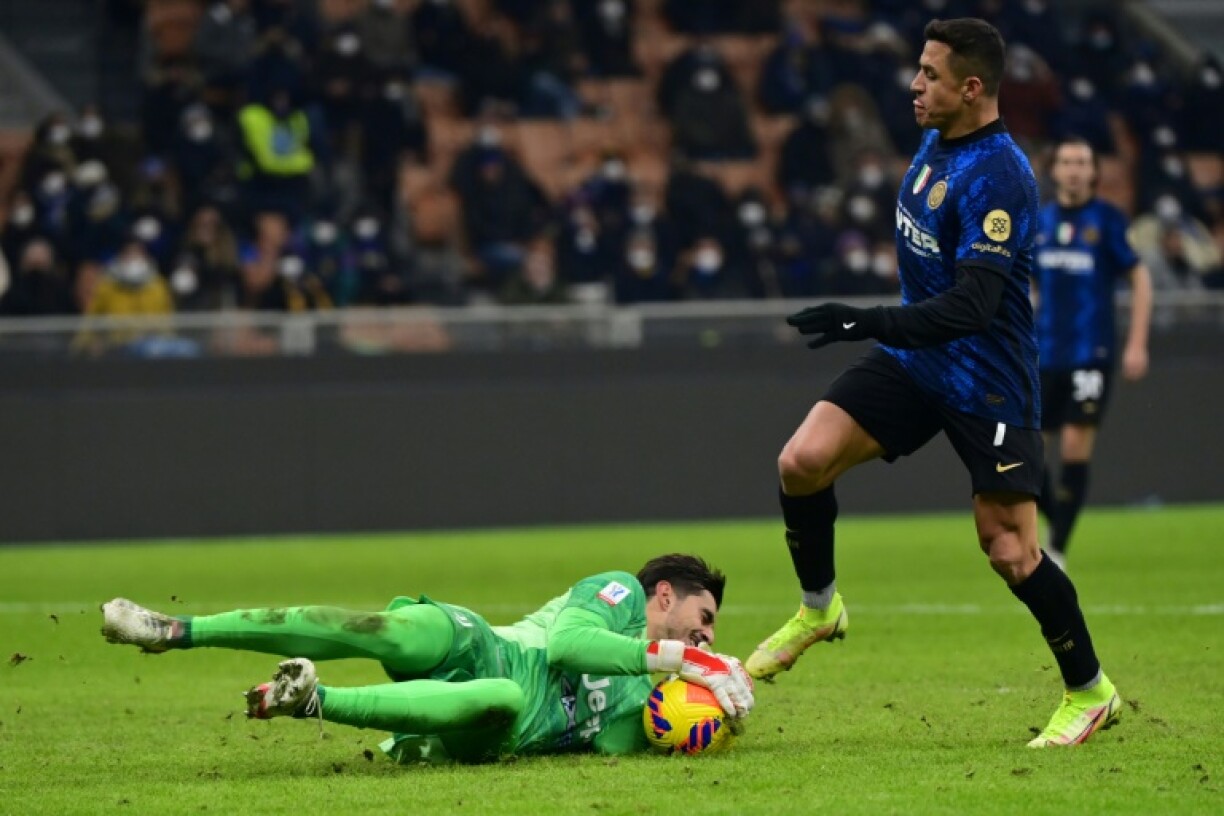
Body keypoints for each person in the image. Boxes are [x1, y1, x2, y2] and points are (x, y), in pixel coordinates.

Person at [745, 18, 1121, 748]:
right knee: (801, 462)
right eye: (918, 69)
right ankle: (819, 607)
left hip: (988, 381)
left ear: (971, 89)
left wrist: (867, 321)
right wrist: (886, 329)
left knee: (1010, 552)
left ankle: (1090, 691)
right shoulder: (932, 141)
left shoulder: (1001, 174)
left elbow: (975, 305)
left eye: (930, 74)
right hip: (919, 361)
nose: (915, 85)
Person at [101, 554, 753, 763]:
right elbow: (566, 646)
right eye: (704, 621)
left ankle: (314, 700)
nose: (705, 641)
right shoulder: (616, 595)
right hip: (486, 643)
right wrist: (682, 659)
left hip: (504, 723)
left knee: (502, 699)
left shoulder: (656, 698)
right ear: (663, 595)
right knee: (387, 632)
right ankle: (174, 628)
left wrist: (721, 702)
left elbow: (635, 741)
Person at [1032, 136, 1153, 569]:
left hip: (1090, 353)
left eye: (1083, 162)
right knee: (1032, 452)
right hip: (1044, 354)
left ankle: (1057, 547)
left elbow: (1139, 278)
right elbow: (1029, 285)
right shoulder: (1041, 222)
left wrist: (1137, 342)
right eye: (1067, 161)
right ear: (1055, 169)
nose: (1075, 169)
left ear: (1094, 172)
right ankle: (1057, 522)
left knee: (1076, 447)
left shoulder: (1107, 220)